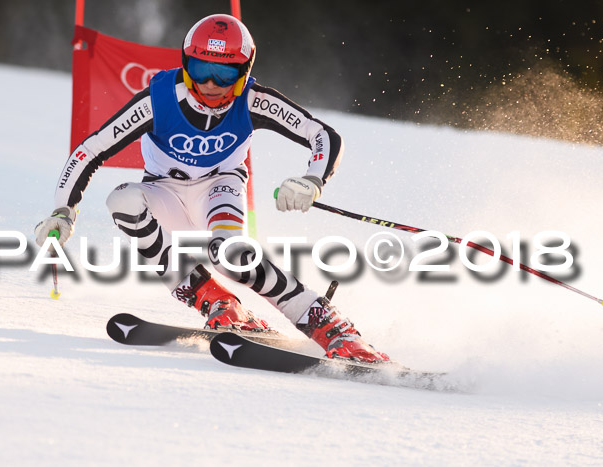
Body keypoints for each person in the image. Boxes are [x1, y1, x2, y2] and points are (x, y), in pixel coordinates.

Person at [35, 14, 389, 363]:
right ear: (187, 65)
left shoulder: (253, 100)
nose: (211, 84)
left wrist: (313, 179)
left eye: (225, 73)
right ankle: (217, 301)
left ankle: (331, 326)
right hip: (165, 192)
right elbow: (90, 150)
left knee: (230, 256)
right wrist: (62, 211)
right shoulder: (159, 98)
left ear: (244, 72)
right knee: (123, 201)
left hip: (219, 188)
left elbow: (323, 135)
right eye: (201, 70)